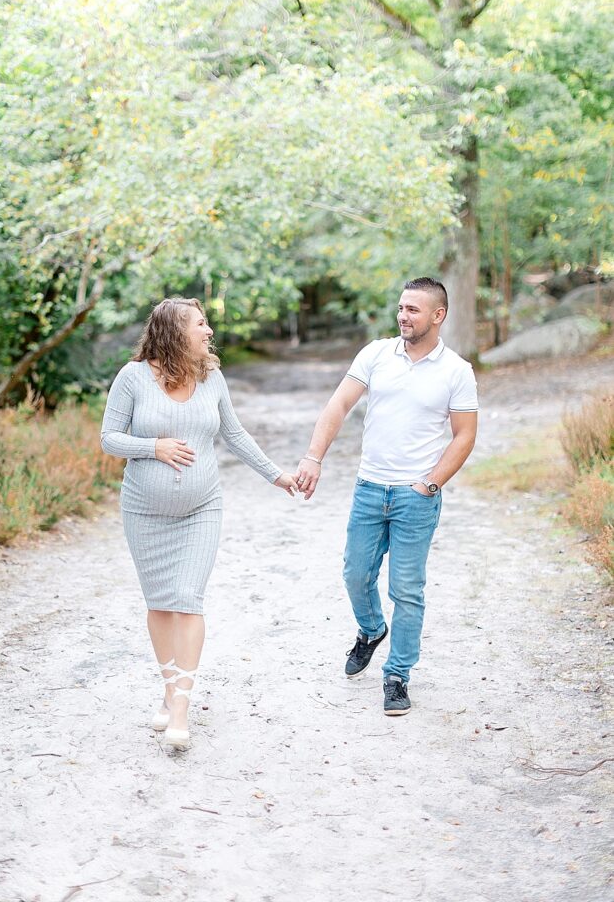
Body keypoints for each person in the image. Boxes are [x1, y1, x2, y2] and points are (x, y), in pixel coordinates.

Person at [101, 298, 297, 749]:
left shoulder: (211, 378)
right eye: (200, 324)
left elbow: (234, 434)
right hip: (143, 511)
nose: (208, 331)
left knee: (187, 599)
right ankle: (170, 692)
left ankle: (181, 708)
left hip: (201, 508)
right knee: (160, 604)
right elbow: (109, 438)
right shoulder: (133, 378)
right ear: (174, 331)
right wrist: (154, 447)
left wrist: (276, 475)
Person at [295, 277, 478, 716]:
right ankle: (371, 629)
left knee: (407, 589)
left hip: (417, 497)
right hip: (369, 489)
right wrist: (314, 457)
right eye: (401, 307)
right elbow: (338, 406)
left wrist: (430, 483)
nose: (403, 315)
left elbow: (465, 435)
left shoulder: (457, 370)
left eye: (413, 309)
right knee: (355, 574)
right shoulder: (376, 354)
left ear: (438, 315)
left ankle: (397, 676)